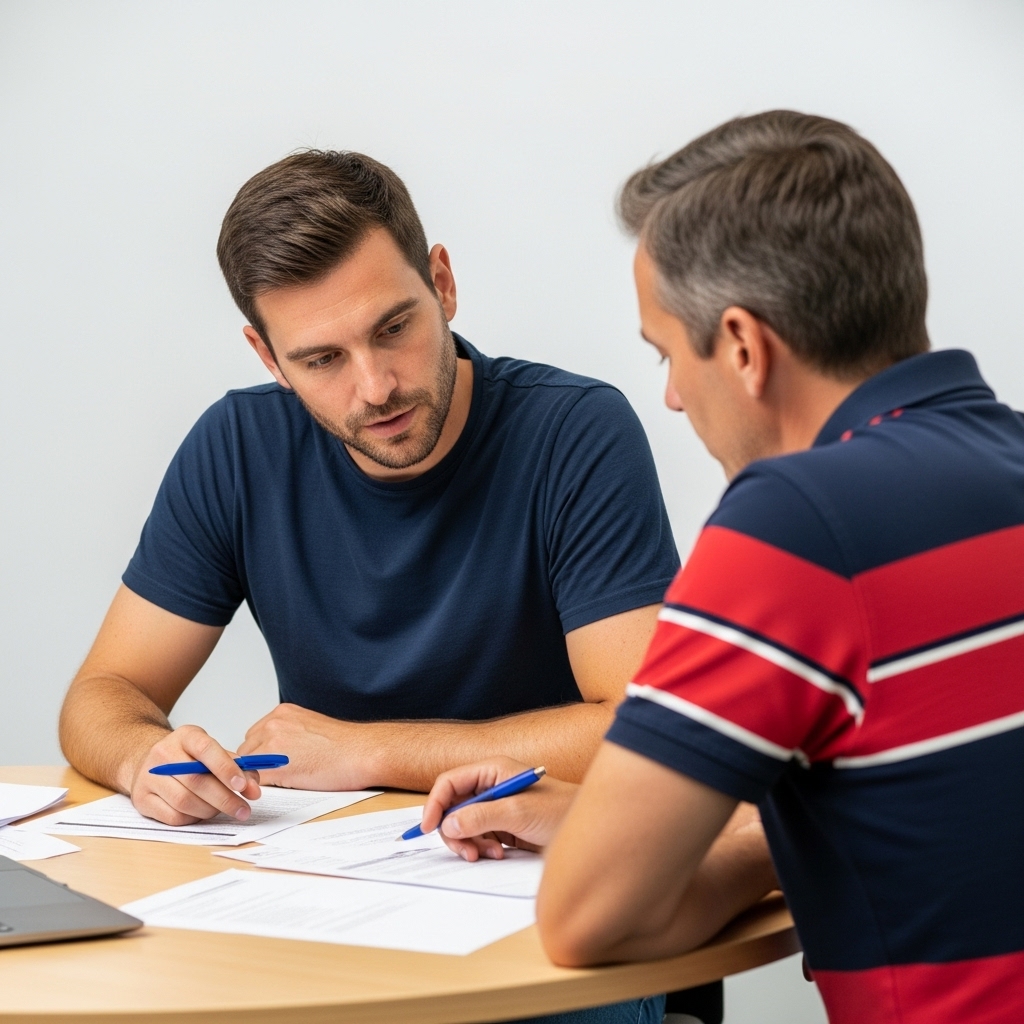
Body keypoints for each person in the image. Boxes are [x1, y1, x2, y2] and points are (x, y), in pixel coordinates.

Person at [417, 110, 1024, 1024]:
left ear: (742, 345)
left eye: (668, 352)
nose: (669, 395)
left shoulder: (797, 526)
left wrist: (745, 839)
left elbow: (586, 919)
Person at [58, 150, 679, 834]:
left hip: (523, 857)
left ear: (441, 284)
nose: (376, 387)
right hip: (319, 866)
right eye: (323, 359)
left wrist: (369, 751)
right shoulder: (237, 446)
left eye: (394, 329)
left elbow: (644, 728)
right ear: (269, 358)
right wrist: (143, 759)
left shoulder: (573, 431)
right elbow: (104, 693)